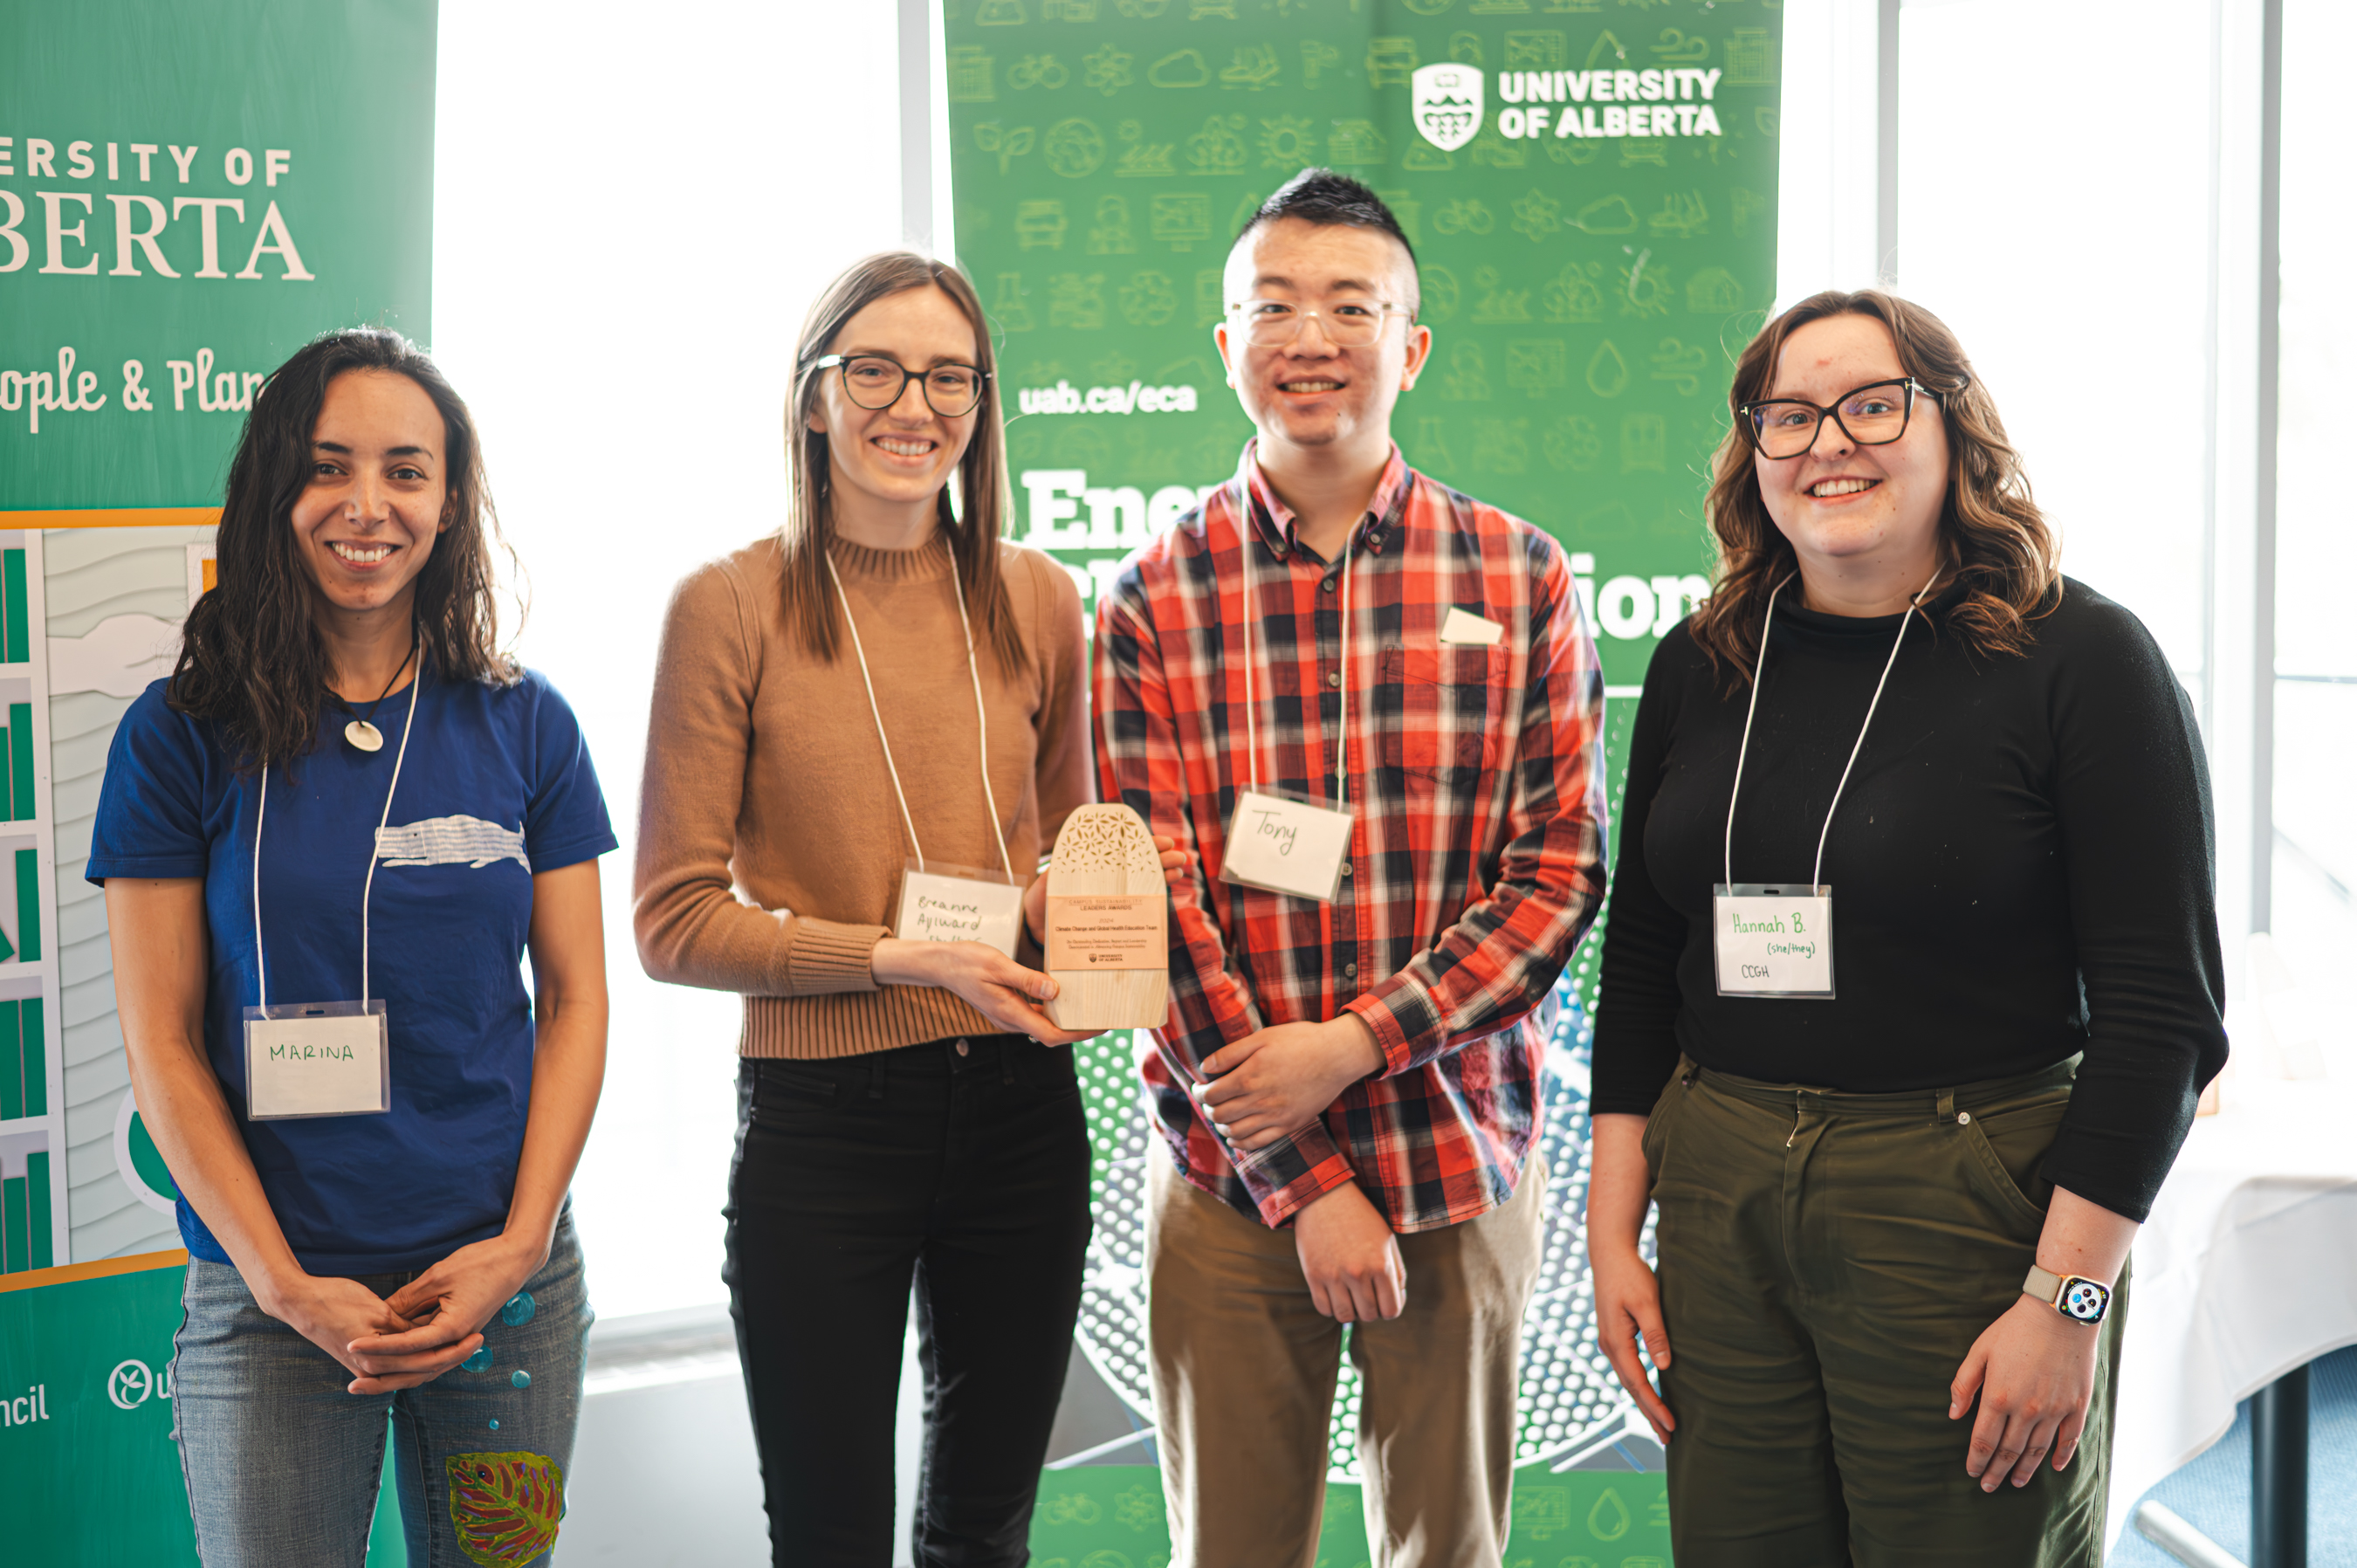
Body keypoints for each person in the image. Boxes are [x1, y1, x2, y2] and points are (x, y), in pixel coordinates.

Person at [1586, 289, 2229, 1565]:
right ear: (1750, 452)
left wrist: (2068, 1301)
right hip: (1719, 1184)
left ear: (1953, 427)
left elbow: (2165, 1020)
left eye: (1871, 404)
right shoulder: (1701, 660)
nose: (1830, 442)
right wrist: (1615, 1226)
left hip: (1968, 1192)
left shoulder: (2080, 659)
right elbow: (1647, 954)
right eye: (1788, 414)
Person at [1094, 168, 1611, 1566]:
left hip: (1459, 1151)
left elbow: (1558, 873)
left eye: (1349, 305)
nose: (1308, 335)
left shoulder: (1520, 577)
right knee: (1234, 1550)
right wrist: (1307, 1172)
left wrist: (1351, 1048)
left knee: (1451, 1549)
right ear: (1225, 345)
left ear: (1411, 344)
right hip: (1231, 1174)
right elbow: (1152, 902)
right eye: (1272, 305)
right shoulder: (1150, 594)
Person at [633, 251, 1181, 1566]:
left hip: (1018, 1114)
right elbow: (672, 920)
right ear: (813, 397)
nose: (910, 404)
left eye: (948, 376)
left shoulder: (1044, 599)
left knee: (985, 1528)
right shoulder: (728, 606)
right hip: (824, 1131)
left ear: (983, 405)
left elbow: (1063, 847)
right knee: (828, 1536)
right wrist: (893, 957)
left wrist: (1080, 921)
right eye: (872, 368)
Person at [93, 327, 615, 1566]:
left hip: (507, 1295)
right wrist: (279, 1283)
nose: (367, 505)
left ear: (448, 502)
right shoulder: (179, 736)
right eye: (328, 468)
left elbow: (580, 1000)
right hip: (272, 1303)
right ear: (276, 490)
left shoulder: (525, 722)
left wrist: (523, 1242)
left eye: (406, 470)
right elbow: (160, 1038)